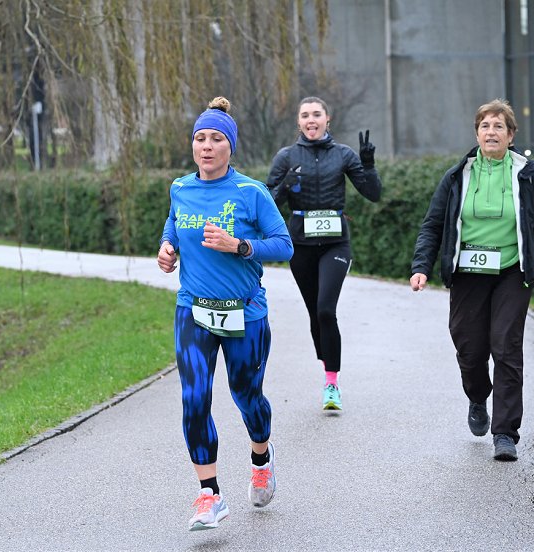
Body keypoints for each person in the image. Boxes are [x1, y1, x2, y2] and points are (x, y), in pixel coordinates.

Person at [410, 98, 534, 461]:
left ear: (511, 135)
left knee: (506, 346)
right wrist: (421, 266)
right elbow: (433, 225)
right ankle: (477, 396)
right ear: (476, 134)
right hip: (468, 272)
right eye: (485, 126)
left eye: (499, 126)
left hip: (512, 273)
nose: (491, 132)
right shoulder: (457, 177)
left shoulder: (526, 177)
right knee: (470, 350)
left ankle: (505, 433)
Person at [157, 96, 293, 531]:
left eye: (216, 138)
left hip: (245, 313)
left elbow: (284, 245)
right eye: (200, 138)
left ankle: (261, 459)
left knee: (246, 395)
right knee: (195, 398)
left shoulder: (251, 193)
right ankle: (209, 494)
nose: (207, 146)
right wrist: (167, 247)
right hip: (193, 310)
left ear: (230, 146)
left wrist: (240, 246)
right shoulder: (181, 188)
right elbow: (174, 223)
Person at [266, 96, 382, 410]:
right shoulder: (287, 156)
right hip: (300, 246)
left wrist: (368, 165)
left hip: (334, 244)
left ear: (327, 119)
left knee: (326, 310)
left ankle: (332, 383)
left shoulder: (343, 154)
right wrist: (284, 186)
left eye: (317, 114)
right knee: (315, 313)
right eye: (305, 115)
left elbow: (373, 194)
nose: (311, 120)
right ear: (299, 122)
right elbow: (267, 203)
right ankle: (326, 359)